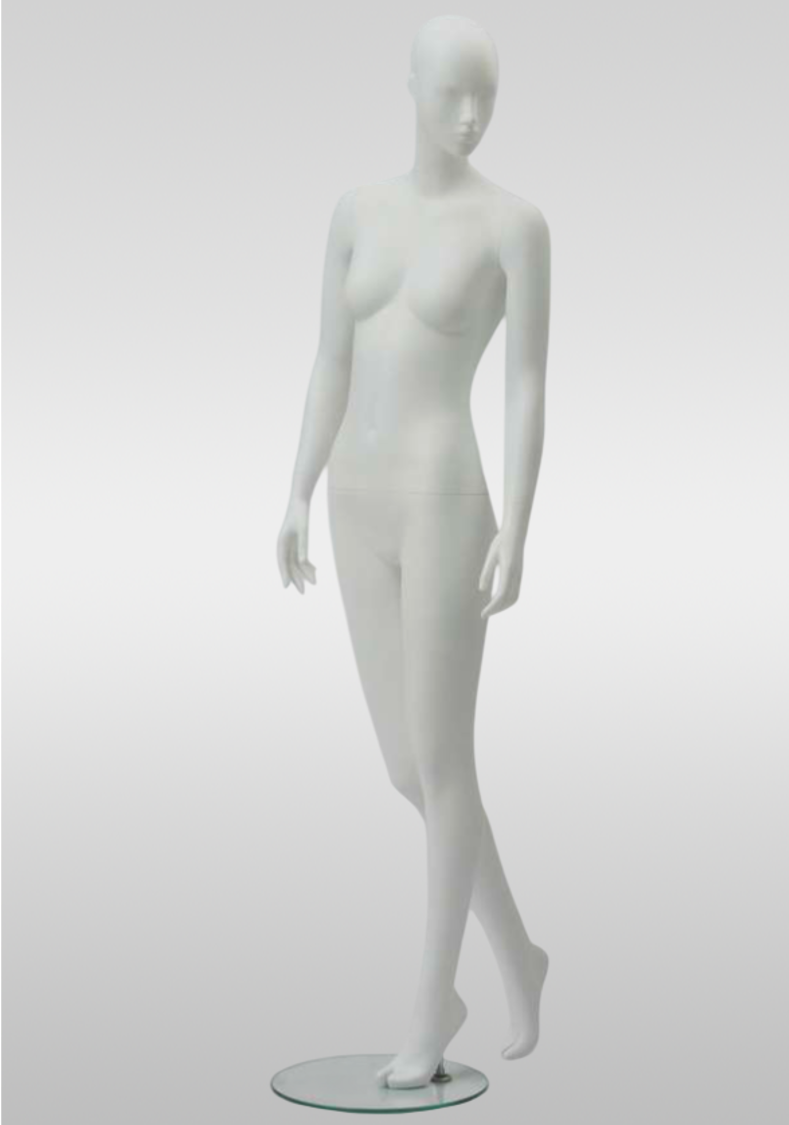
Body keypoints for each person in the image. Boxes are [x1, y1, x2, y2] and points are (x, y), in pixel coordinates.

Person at [277, 14, 551, 1090]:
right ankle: (518, 950)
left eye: (487, 95)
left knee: (443, 760)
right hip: (355, 501)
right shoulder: (356, 212)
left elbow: (526, 383)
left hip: (446, 502)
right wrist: (296, 487)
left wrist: (521, 520)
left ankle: (433, 1005)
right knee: (408, 766)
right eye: (451, 94)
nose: (471, 116)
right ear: (411, 87)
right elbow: (328, 361)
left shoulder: (514, 226)